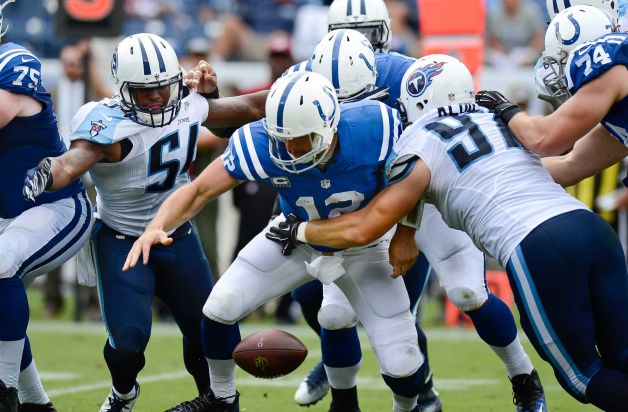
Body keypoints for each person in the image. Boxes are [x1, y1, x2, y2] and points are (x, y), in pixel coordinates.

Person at [267, 58, 628, 411]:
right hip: (591, 227)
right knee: (622, 353)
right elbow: (553, 164)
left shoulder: (418, 140)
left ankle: (524, 379)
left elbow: (368, 225)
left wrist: (300, 229)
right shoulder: (496, 120)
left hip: (535, 242)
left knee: (582, 377)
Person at [287, 5, 545, 410]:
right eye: (344, 32)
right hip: (369, 202)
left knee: (465, 292)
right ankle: (353, 391)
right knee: (334, 314)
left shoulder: (411, 73)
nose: (357, 45)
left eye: (366, 33)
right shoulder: (308, 77)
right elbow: (272, 121)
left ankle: (524, 377)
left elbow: (421, 158)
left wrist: (405, 231)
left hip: (426, 196)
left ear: (385, 33)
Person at [125, 72, 428, 412]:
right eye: (284, 138)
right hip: (295, 232)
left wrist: (406, 231)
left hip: (363, 244)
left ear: (330, 125)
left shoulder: (377, 128)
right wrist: (157, 225)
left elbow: (414, 176)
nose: (291, 147)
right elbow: (199, 190)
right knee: (219, 308)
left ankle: (407, 407)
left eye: (302, 138)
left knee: (403, 367)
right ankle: (220, 399)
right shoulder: (263, 141)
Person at [21, 33, 222, 412]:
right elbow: (72, 162)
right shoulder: (105, 122)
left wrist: (213, 95)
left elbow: (238, 117)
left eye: (164, 86)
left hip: (176, 236)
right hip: (121, 239)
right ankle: (123, 393)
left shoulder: (191, 104)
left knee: (208, 331)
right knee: (128, 344)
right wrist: (48, 173)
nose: (158, 97)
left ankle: (215, 400)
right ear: (124, 89)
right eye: (146, 91)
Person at [0, 1, 93, 412]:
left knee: (0, 263)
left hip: (58, 208)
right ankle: (36, 404)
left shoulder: (14, 62)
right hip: (13, 217)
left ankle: (4, 389)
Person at [476, 6, 628, 189]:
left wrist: (504, 108)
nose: (558, 68)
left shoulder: (606, 62)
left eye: (560, 55)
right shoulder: (621, 114)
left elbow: (544, 139)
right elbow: (570, 166)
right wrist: (490, 174)